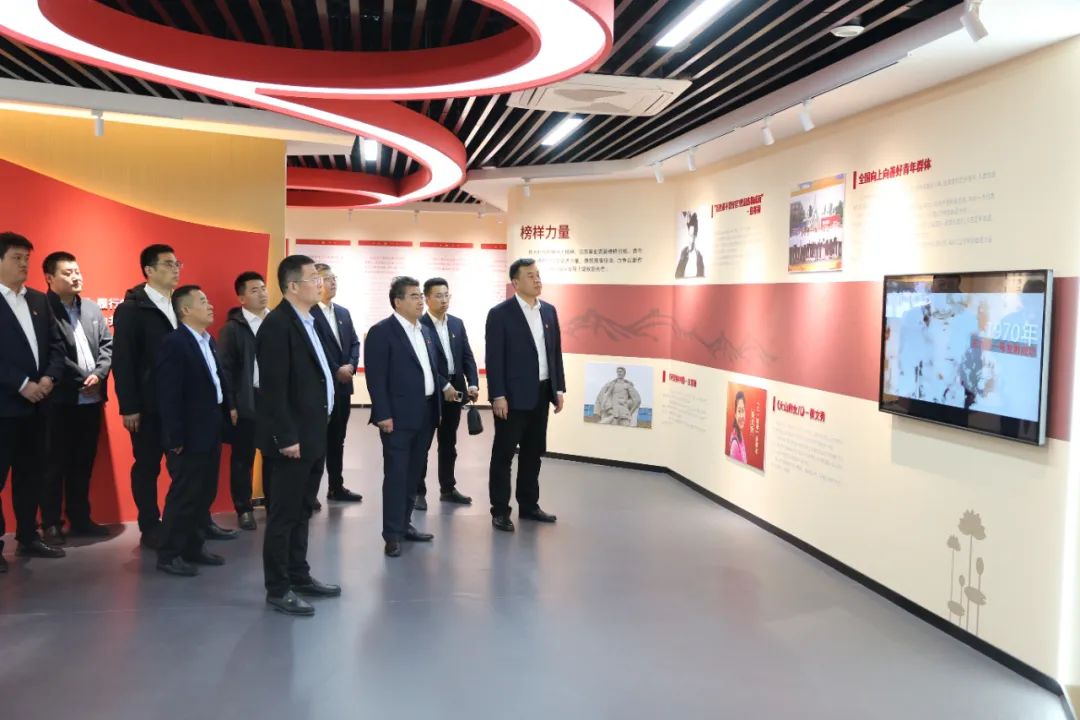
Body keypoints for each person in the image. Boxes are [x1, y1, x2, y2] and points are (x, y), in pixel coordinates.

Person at [112, 244, 237, 547]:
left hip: (184, 408)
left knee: (190, 470)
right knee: (147, 466)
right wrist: (129, 406)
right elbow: (123, 359)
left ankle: (198, 522)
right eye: (168, 264)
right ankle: (150, 525)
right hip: (148, 406)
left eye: (177, 263)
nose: (176, 269)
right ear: (149, 270)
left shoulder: (180, 305)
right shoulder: (132, 309)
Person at [257, 255, 341, 615]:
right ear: (293, 286)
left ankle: (299, 574)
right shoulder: (277, 326)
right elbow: (272, 389)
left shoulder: (310, 320)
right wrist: (286, 436)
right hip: (292, 440)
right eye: (313, 278)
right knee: (284, 515)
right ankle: (278, 588)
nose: (320, 283)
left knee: (303, 509)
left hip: (313, 432)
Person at [364, 276, 450, 557]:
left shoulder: (424, 330)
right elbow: (376, 379)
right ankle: (392, 534)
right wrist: (383, 414)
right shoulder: (382, 332)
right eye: (414, 296)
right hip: (397, 419)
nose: (420, 301)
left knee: (414, 474)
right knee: (396, 475)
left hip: (426, 413)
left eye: (420, 296)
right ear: (398, 302)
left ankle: (405, 524)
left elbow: (430, 369)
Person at [154, 286, 236, 577]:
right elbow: (168, 394)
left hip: (210, 427)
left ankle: (193, 546)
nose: (210, 305)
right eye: (202, 301)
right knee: (185, 495)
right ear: (186, 310)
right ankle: (169, 553)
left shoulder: (207, 340)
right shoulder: (175, 343)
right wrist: (174, 437)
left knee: (204, 492)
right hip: (188, 434)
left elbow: (217, 380)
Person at [0, 232, 67, 569]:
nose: (24, 264)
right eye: (16, 258)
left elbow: (57, 345)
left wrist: (48, 379)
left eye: (26, 258)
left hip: (38, 406)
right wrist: (21, 383)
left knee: (32, 475)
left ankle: (29, 536)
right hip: (4, 407)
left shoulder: (39, 300)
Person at [485, 258, 565, 532]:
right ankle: (500, 510)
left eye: (538, 274)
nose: (537, 279)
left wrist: (558, 388)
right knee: (504, 455)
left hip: (541, 393)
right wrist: (498, 395)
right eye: (530, 275)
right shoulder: (500, 314)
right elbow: (494, 358)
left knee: (533, 453)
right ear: (516, 283)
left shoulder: (549, 311)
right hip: (512, 397)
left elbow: (554, 353)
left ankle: (529, 506)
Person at [41, 251, 113, 544]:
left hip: (91, 401)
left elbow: (107, 346)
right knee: (53, 464)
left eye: (77, 271)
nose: (75, 277)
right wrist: (83, 378)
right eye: (67, 273)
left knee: (83, 463)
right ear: (49, 278)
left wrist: (99, 373)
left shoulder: (92, 309)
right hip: (59, 401)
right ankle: (51, 523)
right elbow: (52, 352)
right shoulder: (42, 309)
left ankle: (80, 518)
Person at [417, 277, 478, 509]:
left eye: (446, 295)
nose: (444, 300)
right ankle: (418, 492)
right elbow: (424, 363)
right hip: (431, 393)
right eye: (438, 296)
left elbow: (467, 356)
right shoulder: (419, 325)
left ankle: (448, 489)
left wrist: (472, 383)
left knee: (449, 443)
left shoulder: (456, 324)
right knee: (423, 444)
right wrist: (444, 385)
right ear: (427, 298)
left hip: (456, 392)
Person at [218, 271, 269, 531]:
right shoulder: (233, 329)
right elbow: (224, 370)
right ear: (241, 298)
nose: (262, 294)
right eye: (254, 290)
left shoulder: (278, 322)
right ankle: (244, 508)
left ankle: (273, 503)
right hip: (247, 399)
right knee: (242, 458)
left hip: (274, 400)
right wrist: (231, 404)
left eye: (263, 288)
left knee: (274, 455)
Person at [313, 263, 362, 504]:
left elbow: (354, 343)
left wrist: (351, 366)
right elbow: (316, 349)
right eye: (327, 278)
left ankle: (336, 486)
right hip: (320, 388)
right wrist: (336, 370)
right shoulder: (310, 313)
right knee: (316, 441)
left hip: (343, 387)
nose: (333, 282)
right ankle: (310, 493)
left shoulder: (343, 313)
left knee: (337, 438)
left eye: (334, 278)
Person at [675, 211, 704, 279]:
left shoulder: (699, 256)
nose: (691, 239)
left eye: (693, 236)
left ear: (696, 237)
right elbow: (677, 275)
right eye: (690, 235)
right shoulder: (684, 252)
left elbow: (701, 276)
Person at [728, 391, 748, 463]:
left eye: (743, 410)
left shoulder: (740, 435)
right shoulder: (735, 444)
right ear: (735, 414)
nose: (742, 416)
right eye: (739, 411)